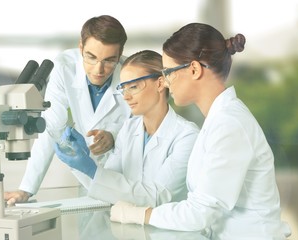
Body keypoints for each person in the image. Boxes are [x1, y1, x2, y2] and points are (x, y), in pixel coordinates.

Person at [110, 23, 292, 239]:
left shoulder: (229, 124)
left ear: (194, 69)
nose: (166, 82)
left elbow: (199, 213)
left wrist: (138, 214)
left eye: (168, 72)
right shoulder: (219, 119)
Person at [0, 15, 131, 205]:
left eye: (109, 60)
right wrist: (26, 189)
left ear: (120, 55)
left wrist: (114, 136)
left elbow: (144, 124)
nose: (98, 69)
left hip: (128, 175)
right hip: (87, 176)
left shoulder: (132, 73)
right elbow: (51, 127)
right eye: (91, 57)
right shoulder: (64, 66)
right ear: (81, 47)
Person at [55, 50, 199, 207]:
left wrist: (90, 169)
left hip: (168, 228)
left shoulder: (187, 136)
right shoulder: (129, 128)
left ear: (160, 83)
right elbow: (108, 188)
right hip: (126, 225)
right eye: (124, 88)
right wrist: (82, 162)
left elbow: (157, 195)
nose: (125, 96)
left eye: (134, 87)